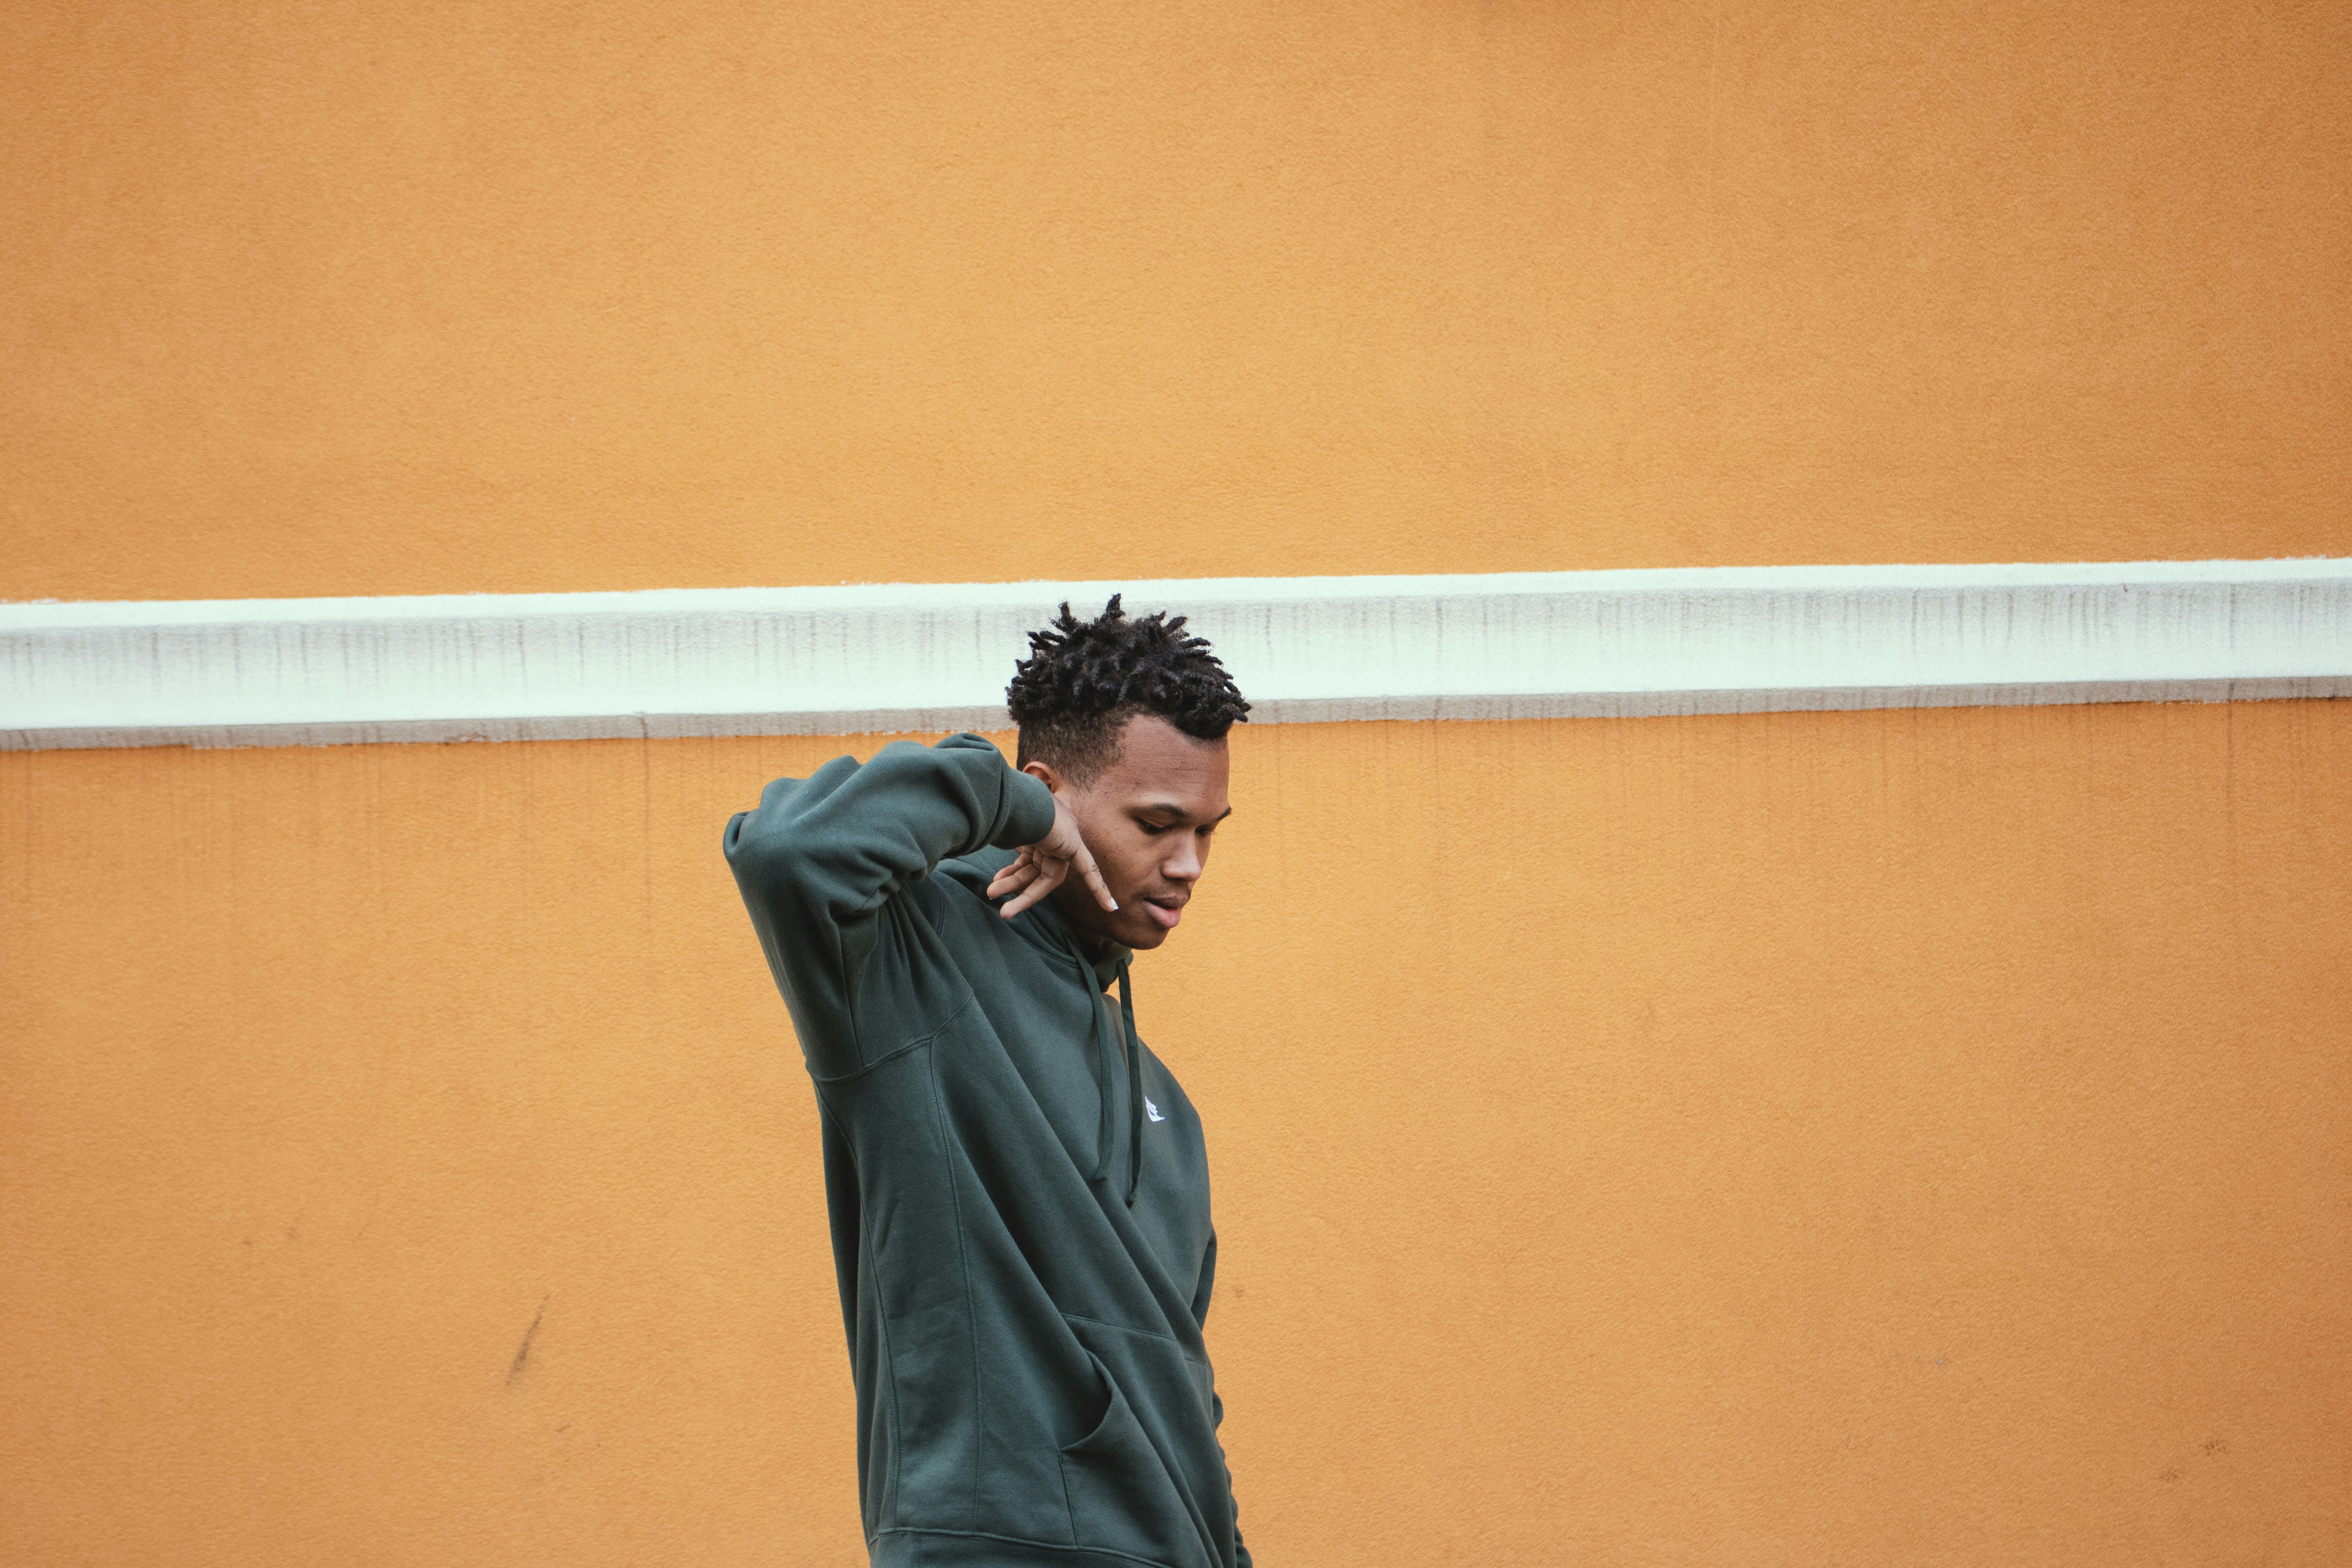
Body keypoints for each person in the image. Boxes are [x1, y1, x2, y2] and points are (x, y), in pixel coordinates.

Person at [725, 596, 1253, 1568]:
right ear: (1052, 790)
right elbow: (787, 850)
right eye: (1158, 823)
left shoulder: (1168, 1108)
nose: (1188, 865)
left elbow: (1188, 1394)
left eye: (1209, 832)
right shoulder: (909, 960)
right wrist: (1004, 799)